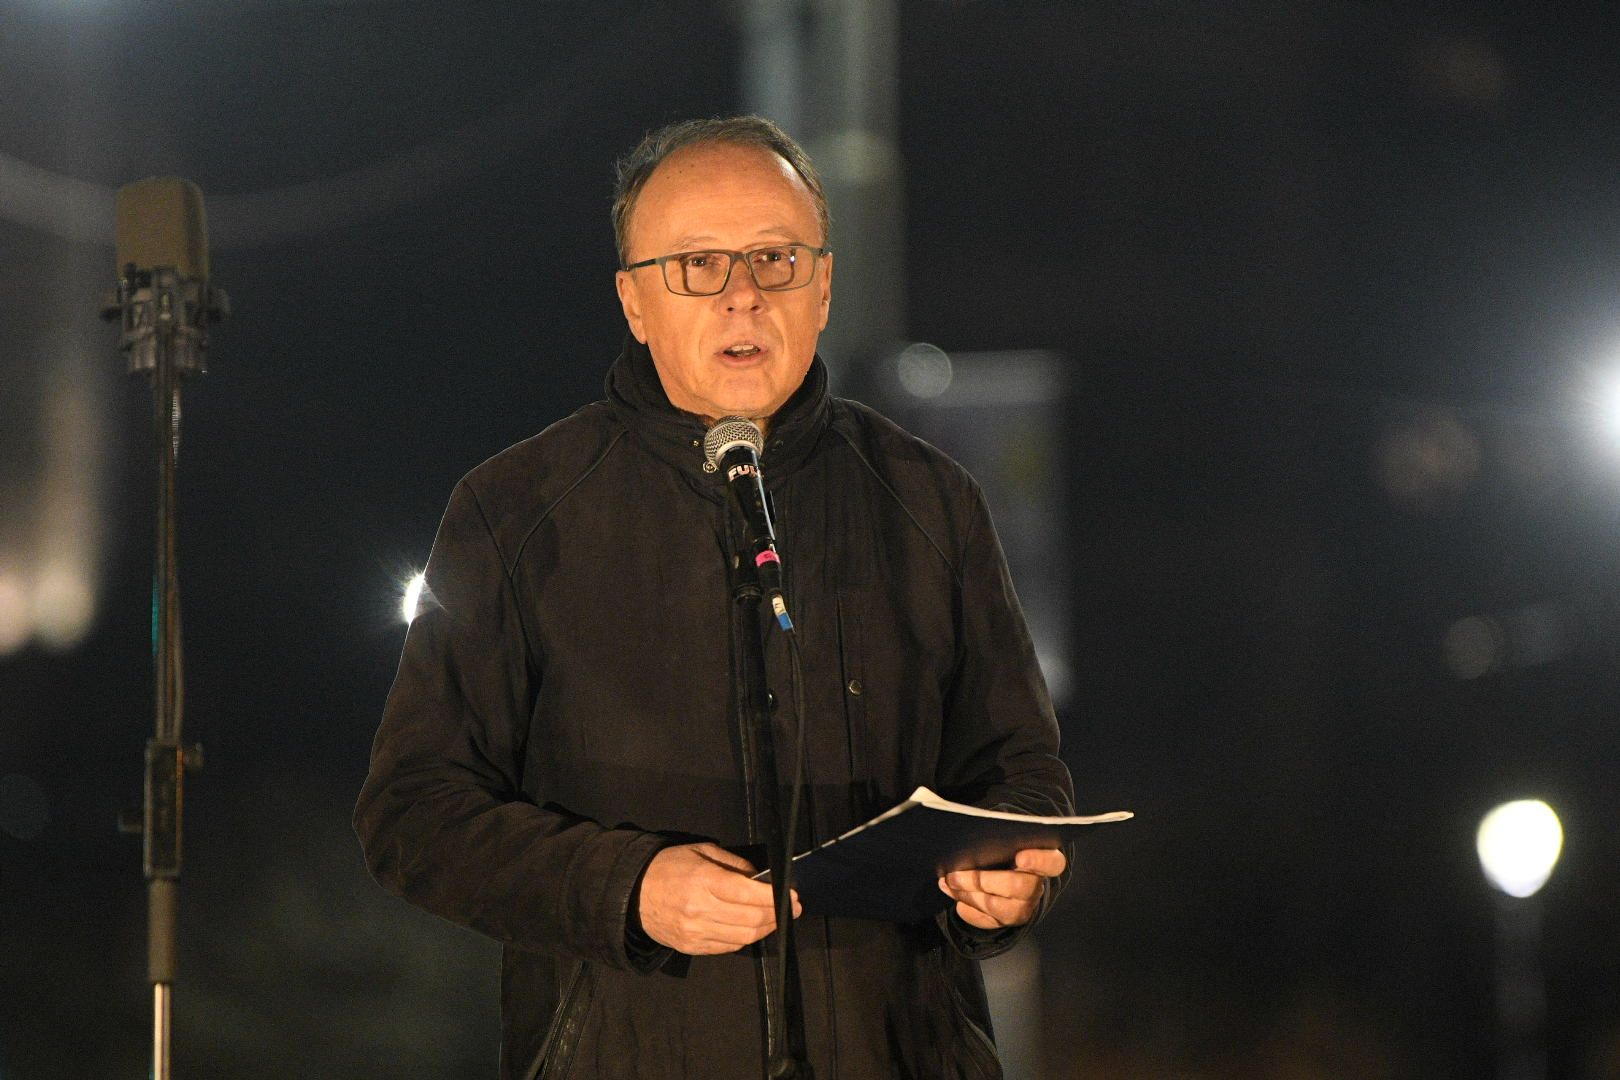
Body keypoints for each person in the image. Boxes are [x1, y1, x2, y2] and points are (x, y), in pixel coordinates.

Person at [355, 115, 1075, 1080]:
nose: (743, 296)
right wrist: (630, 890)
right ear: (634, 303)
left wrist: (1005, 876)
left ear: (823, 286)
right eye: (697, 265)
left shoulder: (931, 499)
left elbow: (1020, 767)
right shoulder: (513, 512)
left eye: (776, 260)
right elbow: (414, 813)